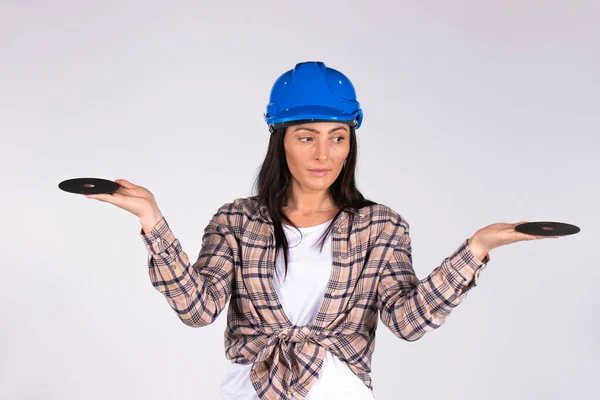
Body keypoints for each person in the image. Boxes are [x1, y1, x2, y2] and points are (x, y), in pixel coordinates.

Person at [85, 61, 560, 400]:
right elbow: (198, 309)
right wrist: (152, 220)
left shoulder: (380, 226)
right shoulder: (236, 220)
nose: (323, 154)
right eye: (307, 136)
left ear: (351, 142)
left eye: (338, 137)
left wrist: (477, 248)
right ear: (280, 140)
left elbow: (406, 321)